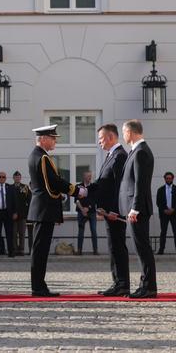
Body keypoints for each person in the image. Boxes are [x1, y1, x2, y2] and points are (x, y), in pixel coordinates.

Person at [28, 125, 85, 297]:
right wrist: (75, 190)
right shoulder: (42, 157)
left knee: (40, 249)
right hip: (44, 208)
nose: (55, 141)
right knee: (40, 250)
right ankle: (38, 287)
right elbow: (53, 181)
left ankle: (39, 285)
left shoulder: (37, 155)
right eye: (52, 138)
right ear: (43, 138)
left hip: (43, 208)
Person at [87, 123, 129, 297]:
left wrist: (115, 210)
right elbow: (102, 184)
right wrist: (82, 192)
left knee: (118, 247)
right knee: (113, 247)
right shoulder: (111, 155)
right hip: (107, 212)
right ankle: (118, 282)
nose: (99, 142)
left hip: (114, 213)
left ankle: (122, 284)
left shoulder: (120, 156)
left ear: (111, 137)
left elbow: (121, 186)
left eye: (101, 139)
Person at [119, 120, 157, 299]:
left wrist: (134, 209)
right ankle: (146, 285)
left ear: (131, 132)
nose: (123, 136)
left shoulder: (141, 152)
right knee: (141, 248)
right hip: (136, 209)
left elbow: (140, 184)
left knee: (143, 248)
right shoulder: (136, 151)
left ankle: (148, 287)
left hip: (138, 210)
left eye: (124, 132)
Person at [75, 171, 98, 255]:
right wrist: (82, 209)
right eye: (88, 176)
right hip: (81, 213)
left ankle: (95, 250)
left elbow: (95, 200)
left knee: (94, 231)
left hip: (91, 212)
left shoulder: (93, 187)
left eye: (90, 176)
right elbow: (76, 200)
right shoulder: (78, 186)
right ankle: (79, 250)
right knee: (80, 231)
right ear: (84, 177)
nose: (90, 178)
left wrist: (87, 208)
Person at [156, 172, 176, 255]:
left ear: (172, 179)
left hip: (174, 214)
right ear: (165, 179)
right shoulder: (160, 190)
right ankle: (161, 250)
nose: (168, 180)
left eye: (170, 178)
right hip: (164, 215)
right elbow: (158, 202)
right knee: (163, 232)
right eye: (167, 178)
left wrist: (173, 209)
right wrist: (164, 210)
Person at [12, 171, 31, 256]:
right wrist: (12, 213)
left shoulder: (25, 187)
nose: (17, 178)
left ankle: (21, 250)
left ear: (20, 178)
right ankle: (15, 249)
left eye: (18, 177)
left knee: (22, 233)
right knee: (14, 233)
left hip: (23, 214)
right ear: (13, 178)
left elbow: (29, 200)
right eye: (16, 177)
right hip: (13, 215)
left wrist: (27, 212)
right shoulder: (10, 187)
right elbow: (9, 202)